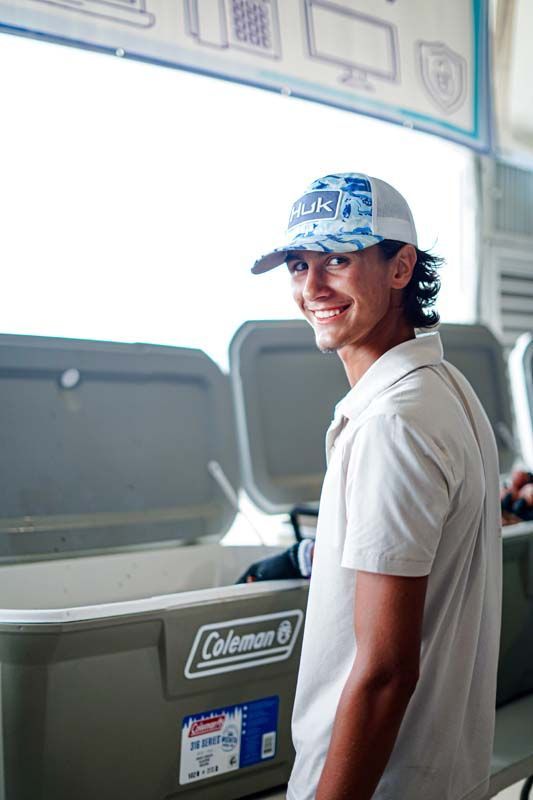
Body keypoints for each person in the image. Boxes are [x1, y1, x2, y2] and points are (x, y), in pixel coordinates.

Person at [247, 173, 502, 800]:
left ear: (400, 267)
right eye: (299, 264)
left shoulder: (393, 422)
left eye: (338, 259)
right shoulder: (445, 388)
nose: (312, 287)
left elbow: (386, 672)